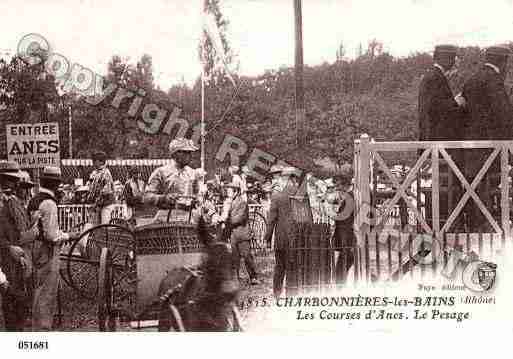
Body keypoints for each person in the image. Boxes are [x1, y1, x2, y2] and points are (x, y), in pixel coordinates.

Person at [461, 46, 513, 232]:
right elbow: (505, 116)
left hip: (471, 149)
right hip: (490, 148)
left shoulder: (471, 81)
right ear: (503, 62)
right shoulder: (495, 81)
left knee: (476, 187)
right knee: (487, 185)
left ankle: (479, 226)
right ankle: (489, 227)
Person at [27, 166, 76, 331]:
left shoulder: (36, 199)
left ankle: (38, 325)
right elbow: (51, 235)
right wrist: (69, 236)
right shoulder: (49, 203)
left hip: (35, 247)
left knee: (38, 288)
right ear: (55, 185)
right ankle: (42, 329)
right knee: (47, 291)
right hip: (46, 249)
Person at [0, 161, 40, 331]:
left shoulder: (11, 201)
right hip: (6, 254)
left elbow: (15, 231)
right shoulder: (6, 201)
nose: (14, 185)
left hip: (15, 254)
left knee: (19, 298)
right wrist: (8, 246)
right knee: (11, 297)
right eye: (10, 180)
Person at [263, 167, 306, 298]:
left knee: (280, 266)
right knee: (293, 266)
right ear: (293, 178)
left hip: (281, 238)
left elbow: (271, 220)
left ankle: (277, 293)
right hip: (296, 237)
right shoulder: (300, 195)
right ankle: (291, 294)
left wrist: (267, 238)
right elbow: (305, 218)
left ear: (284, 178)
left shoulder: (277, 196)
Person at [144, 137, 206, 223]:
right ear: (175, 154)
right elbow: (147, 197)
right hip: (165, 217)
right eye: (186, 152)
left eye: (190, 152)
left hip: (188, 218)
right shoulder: (161, 172)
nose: (190, 156)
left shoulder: (193, 173)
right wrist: (164, 198)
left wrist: (197, 199)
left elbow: (197, 195)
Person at [215, 181, 260, 285]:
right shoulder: (228, 203)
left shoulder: (242, 203)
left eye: (229, 190)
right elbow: (225, 215)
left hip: (242, 234)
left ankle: (253, 276)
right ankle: (236, 278)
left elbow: (238, 219)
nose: (227, 192)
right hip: (233, 235)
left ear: (236, 192)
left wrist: (224, 220)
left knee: (247, 256)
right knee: (235, 258)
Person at [418, 44, 466, 141]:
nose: (453, 62)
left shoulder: (431, 75)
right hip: (436, 137)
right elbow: (439, 108)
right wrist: (457, 102)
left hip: (429, 136)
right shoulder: (437, 77)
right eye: (452, 58)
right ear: (444, 59)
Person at [326, 165, 356, 285]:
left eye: (338, 186)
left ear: (345, 185)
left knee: (340, 271)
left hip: (348, 242)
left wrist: (332, 214)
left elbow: (346, 221)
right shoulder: (348, 197)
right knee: (345, 269)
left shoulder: (350, 198)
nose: (336, 188)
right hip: (347, 241)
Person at [86, 150, 115, 224]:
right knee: (93, 225)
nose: (93, 162)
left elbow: (106, 191)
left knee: (104, 225)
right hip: (97, 204)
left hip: (106, 204)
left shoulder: (106, 173)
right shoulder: (94, 173)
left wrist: (96, 203)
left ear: (101, 162)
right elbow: (91, 188)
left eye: (95, 161)